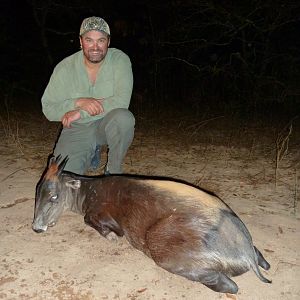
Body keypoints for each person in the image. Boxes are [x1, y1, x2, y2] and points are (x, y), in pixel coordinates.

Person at [41, 16, 135, 175]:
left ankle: (113, 174)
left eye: (101, 40)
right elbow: (48, 108)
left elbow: (122, 101)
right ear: (80, 41)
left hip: (106, 125)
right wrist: (77, 102)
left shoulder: (120, 60)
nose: (95, 46)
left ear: (108, 42)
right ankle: (91, 151)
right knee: (62, 177)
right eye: (89, 40)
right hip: (78, 128)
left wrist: (80, 112)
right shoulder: (65, 68)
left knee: (123, 118)